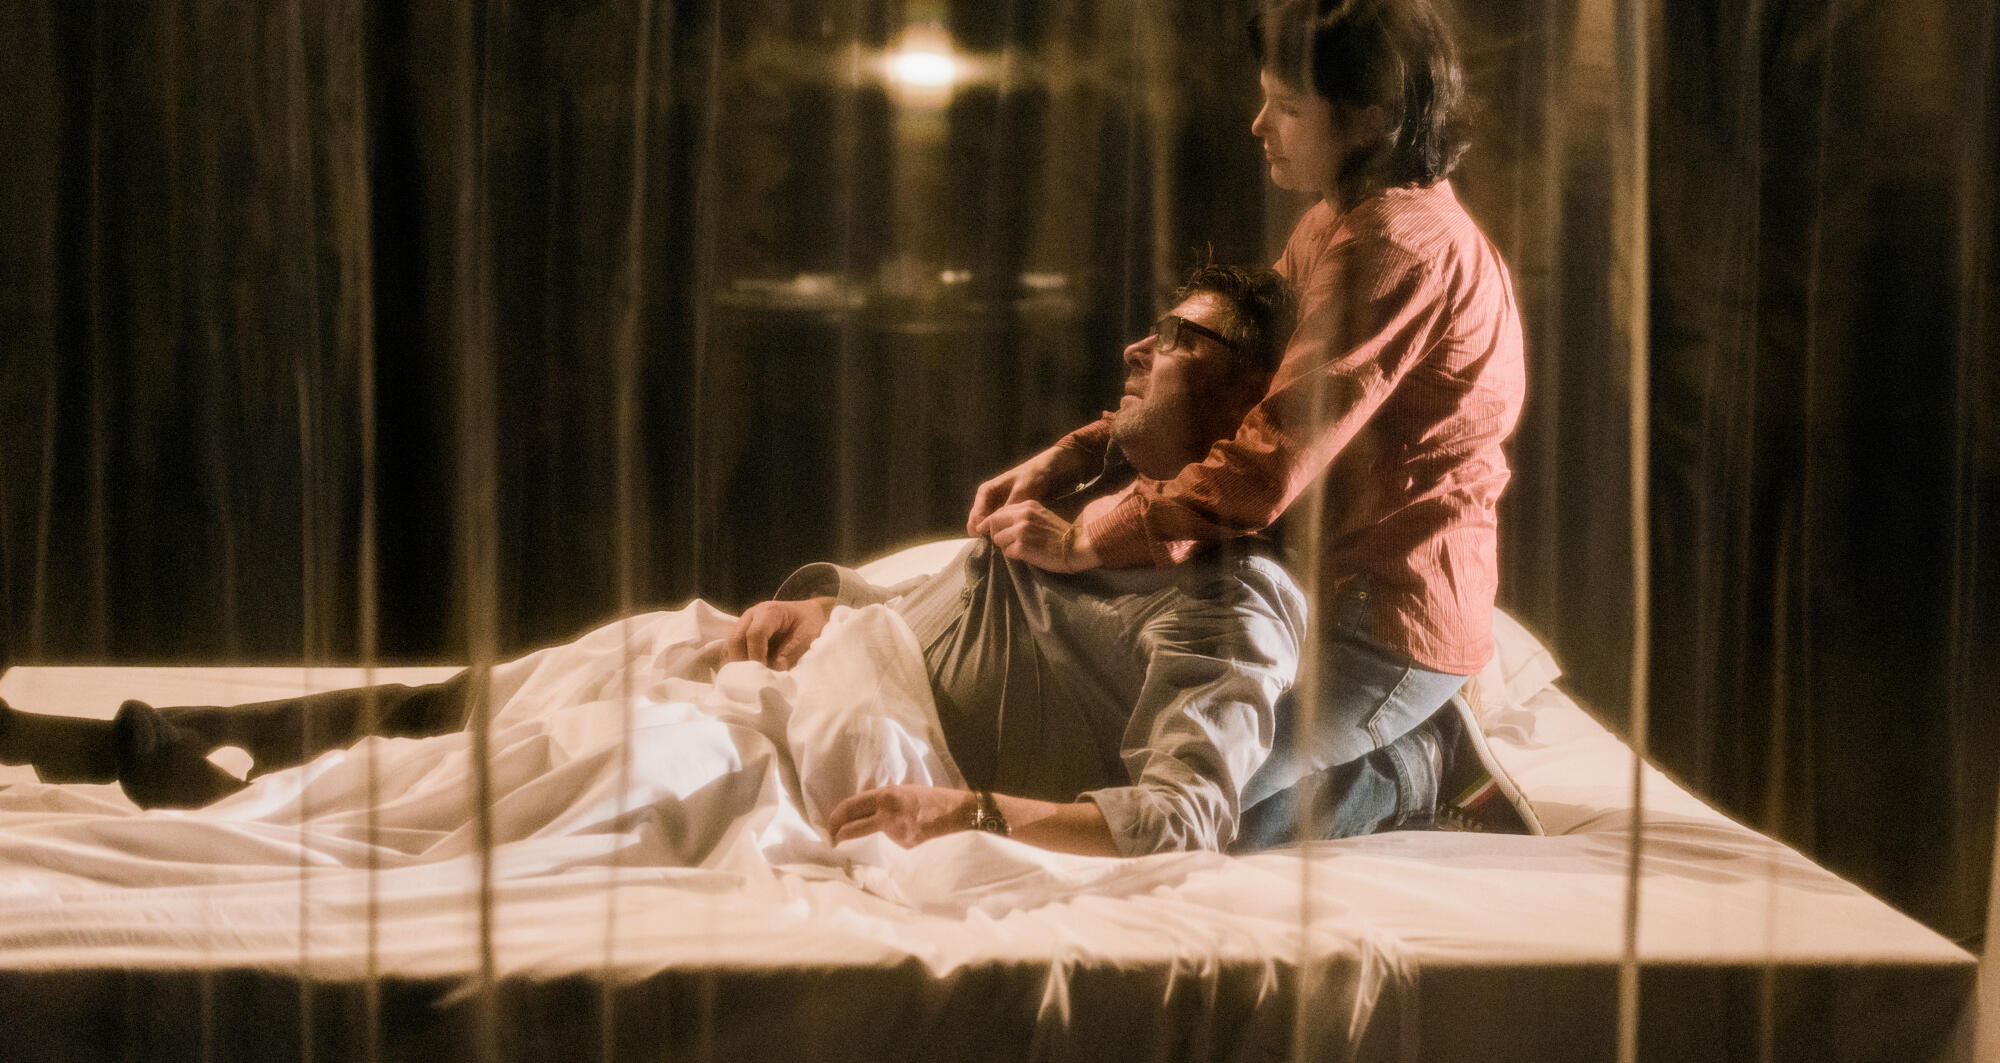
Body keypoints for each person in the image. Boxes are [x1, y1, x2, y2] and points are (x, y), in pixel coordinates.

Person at [0, 264, 1307, 861]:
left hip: (879, 747)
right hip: (839, 670)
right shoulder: (1106, 507)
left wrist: (961, 813)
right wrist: (830, 604)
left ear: (1251, 393)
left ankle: (234, 816)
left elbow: (1184, 813)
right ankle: (189, 743)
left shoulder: (1229, 601)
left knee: (609, 755)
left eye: (1172, 337)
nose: (1134, 350)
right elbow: (952, 602)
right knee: (575, 664)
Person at [967, 0, 1526, 848]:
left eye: (1288, 108)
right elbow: (1232, 382)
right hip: (1321, 584)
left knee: (1198, 816)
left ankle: (1421, 760)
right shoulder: (1339, 220)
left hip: (1383, 623)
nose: (1259, 125)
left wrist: (1086, 538)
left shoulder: (1397, 249)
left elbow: (1267, 463)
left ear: (1372, 119)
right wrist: (1078, 456)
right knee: (1122, 765)